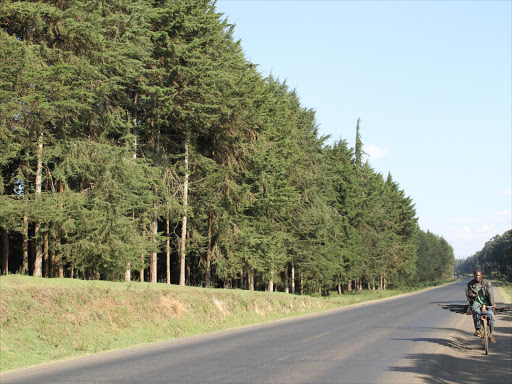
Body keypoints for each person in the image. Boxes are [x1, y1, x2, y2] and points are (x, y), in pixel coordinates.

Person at [466, 269, 496, 343]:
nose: (477, 277)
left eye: (478, 275)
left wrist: (492, 304)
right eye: (475, 275)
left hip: (487, 302)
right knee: (475, 311)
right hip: (476, 302)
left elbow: (490, 294)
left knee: (491, 315)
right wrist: (473, 295)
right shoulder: (470, 283)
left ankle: (491, 333)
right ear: (474, 276)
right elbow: (469, 294)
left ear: (481, 276)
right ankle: (478, 329)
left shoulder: (487, 283)